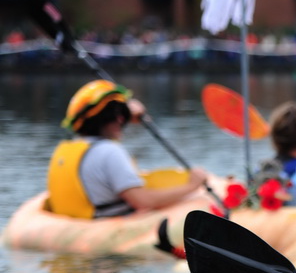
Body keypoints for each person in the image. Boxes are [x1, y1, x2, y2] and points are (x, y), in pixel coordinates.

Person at [47, 80, 210, 218]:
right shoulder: (109, 151)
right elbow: (142, 201)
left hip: (82, 221)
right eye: (114, 114)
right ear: (99, 119)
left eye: (122, 114)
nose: (120, 120)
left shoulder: (68, 148)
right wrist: (191, 186)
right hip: (109, 226)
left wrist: (125, 114)